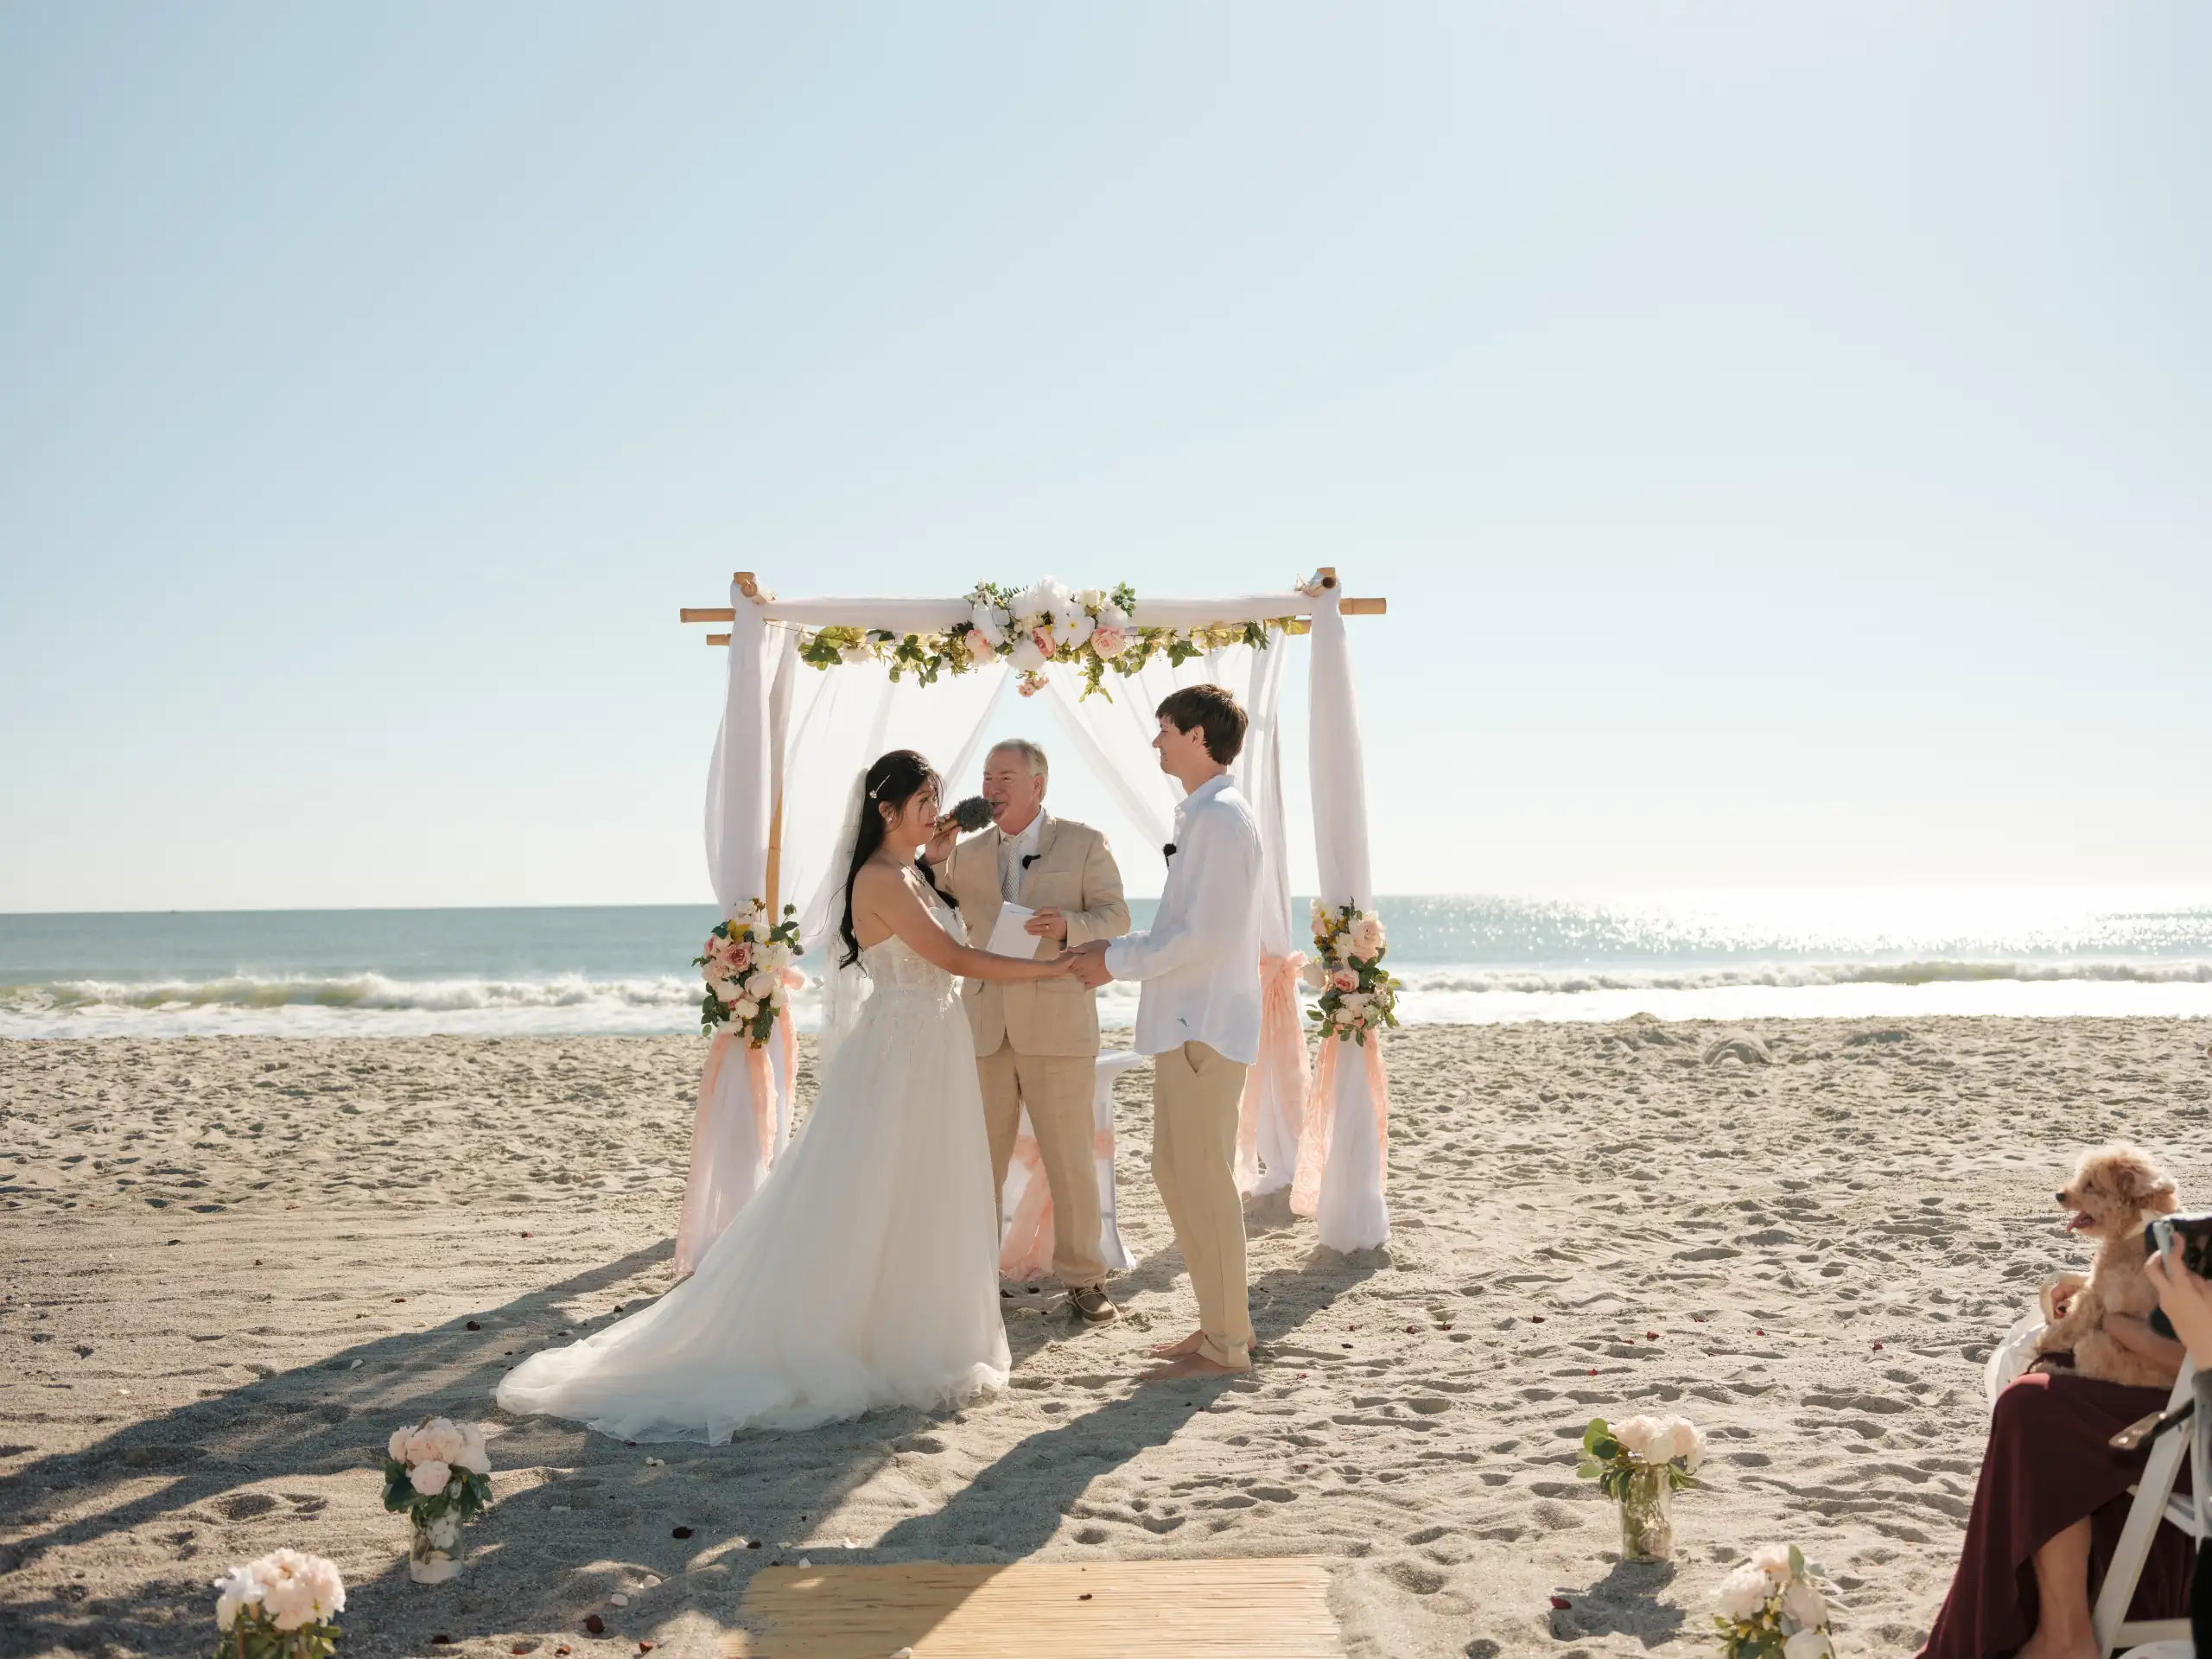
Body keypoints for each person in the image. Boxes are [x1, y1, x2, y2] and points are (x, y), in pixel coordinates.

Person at [494, 750, 1076, 1442]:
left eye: (936, 799)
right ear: (886, 811)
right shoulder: (880, 878)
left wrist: (938, 860)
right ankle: (863, 1334)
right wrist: (1046, 973)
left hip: (931, 1044)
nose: (936, 811)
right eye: (923, 801)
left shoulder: (914, 874)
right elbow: (952, 960)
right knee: (875, 1187)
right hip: (904, 1050)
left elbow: (944, 935)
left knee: (924, 1187)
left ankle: (915, 1326)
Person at [1069, 684, 1262, 1383]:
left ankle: (1228, 1345)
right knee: (1175, 1172)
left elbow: (1204, 935)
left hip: (1205, 1027)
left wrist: (1114, 961)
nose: (1156, 742)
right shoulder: (1206, 816)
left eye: (1165, 731)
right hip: (1188, 1025)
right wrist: (1109, 955)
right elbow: (1187, 927)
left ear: (1199, 737)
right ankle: (1218, 1329)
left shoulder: (1220, 819)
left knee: (1203, 1181)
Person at [926, 740, 1130, 1325]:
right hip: (986, 1025)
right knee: (978, 1164)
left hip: (1059, 1027)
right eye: (988, 775)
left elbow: (1117, 917)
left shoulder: (1085, 841)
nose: (992, 785)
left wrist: (1068, 924)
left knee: (1070, 1161)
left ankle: (1085, 1281)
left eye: (1006, 776)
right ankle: (973, 1283)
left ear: (1038, 784)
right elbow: (933, 908)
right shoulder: (967, 852)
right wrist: (936, 859)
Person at [1915, 1280, 2190, 1658]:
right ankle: (2069, 1622)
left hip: (2196, 1416)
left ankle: (2064, 1635)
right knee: (2050, 1376)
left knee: (2034, 1409)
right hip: (2189, 1396)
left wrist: (2102, 1314)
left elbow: (2198, 1357)